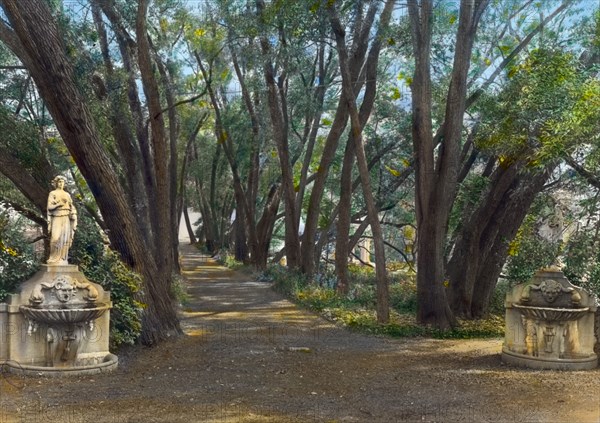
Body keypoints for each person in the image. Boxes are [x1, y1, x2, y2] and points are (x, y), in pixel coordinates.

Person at [47, 176, 77, 264]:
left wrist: (73, 214)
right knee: (55, 238)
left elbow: (72, 207)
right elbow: (49, 207)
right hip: (57, 217)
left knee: (64, 239)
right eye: (59, 181)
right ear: (56, 183)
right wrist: (59, 204)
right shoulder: (52, 193)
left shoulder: (67, 195)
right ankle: (53, 258)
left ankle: (63, 259)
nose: (61, 183)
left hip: (66, 217)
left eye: (63, 182)